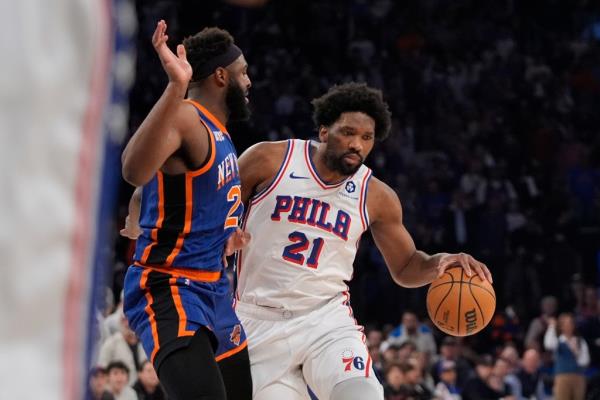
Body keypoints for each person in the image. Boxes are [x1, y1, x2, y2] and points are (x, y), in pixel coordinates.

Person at [235, 82, 493, 399]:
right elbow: (212, 211)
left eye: (366, 138)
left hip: (325, 320)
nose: (356, 144)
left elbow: (407, 265)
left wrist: (439, 263)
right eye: (348, 133)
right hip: (256, 319)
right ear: (324, 131)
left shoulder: (376, 196)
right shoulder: (269, 159)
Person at [120, 20, 253, 400]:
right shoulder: (187, 116)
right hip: (171, 286)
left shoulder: (220, 134)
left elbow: (158, 189)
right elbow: (134, 170)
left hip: (213, 287)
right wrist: (175, 87)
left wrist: (226, 236)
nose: (249, 82)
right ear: (222, 76)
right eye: (244, 73)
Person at [544, 312, 590, 400]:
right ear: (561, 326)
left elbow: (585, 361)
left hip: (578, 376)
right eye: (566, 323)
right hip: (562, 377)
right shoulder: (558, 341)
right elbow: (548, 344)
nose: (569, 325)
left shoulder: (580, 341)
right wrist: (552, 326)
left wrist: (576, 352)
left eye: (571, 323)